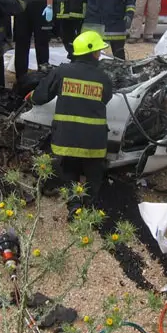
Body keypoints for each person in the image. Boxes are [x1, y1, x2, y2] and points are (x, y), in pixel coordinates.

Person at [26, 30, 113, 219]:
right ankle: (89, 208)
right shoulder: (103, 78)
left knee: (70, 171)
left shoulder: (62, 72)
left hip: (67, 137)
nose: (99, 54)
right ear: (92, 53)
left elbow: (40, 96)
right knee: (93, 174)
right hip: (94, 141)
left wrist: (31, 96)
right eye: (98, 51)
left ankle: (74, 206)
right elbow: (106, 98)